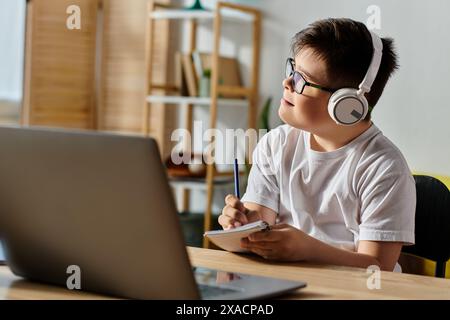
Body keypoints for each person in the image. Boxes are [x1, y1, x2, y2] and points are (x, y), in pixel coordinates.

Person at [218, 18, 416, 272]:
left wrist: (309, 249)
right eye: (292, 70)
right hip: (288, 284)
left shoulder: (384, 168)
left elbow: (379, 267)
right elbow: (259, 220)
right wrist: (243, 223)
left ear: (346, 106)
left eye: (302, 79)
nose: (287, 83)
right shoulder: (275, 144)